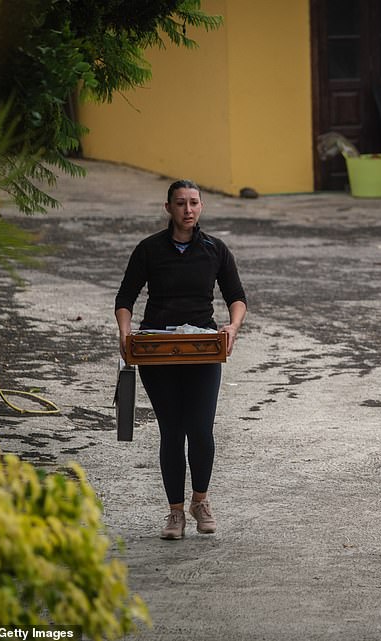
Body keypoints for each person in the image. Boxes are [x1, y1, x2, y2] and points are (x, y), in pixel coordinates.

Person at [115, 179, 247, 540]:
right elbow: (125, 297)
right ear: (168, 208)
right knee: (172, 432)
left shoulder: (215, 250)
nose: (188, 210)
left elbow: (237, 296)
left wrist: (232, 328)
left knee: (201, 431)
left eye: (193, 203)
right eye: (180, 203)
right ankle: (175, 513)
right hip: (157, 350)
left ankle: (200, 501)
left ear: (201, 207)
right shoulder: (148, 250)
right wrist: (125, 334)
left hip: (203, 348)